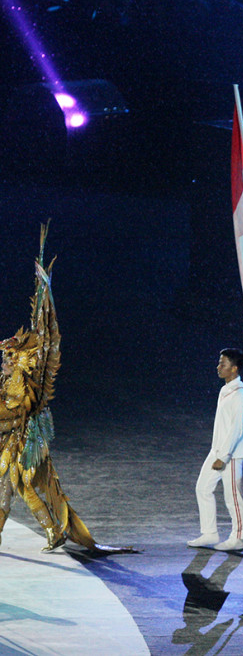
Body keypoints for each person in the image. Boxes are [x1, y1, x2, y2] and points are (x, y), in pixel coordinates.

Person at [0, 233, 123, 553]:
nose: (2, 362)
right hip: (10, 441)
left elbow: (14, 412)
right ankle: (50, 531)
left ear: (15, 360)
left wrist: (44, 291)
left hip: (22, 440)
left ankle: (53, 530)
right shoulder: (7, 380)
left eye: (6, 359)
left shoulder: (21, 382)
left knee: (18, 485)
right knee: (10, 486)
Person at [189, 348, 243, 552]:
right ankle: (209, 533)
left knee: (232, 496)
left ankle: (238, 537)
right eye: (219, 363)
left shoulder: (240, 395)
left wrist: (224, 456)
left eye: (222, 364)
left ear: (234, 369)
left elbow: (237, 429)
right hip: (217, 451)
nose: (218, 367)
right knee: (202, 487)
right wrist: (218, 453)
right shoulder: (226, 389)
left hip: (231, 455)